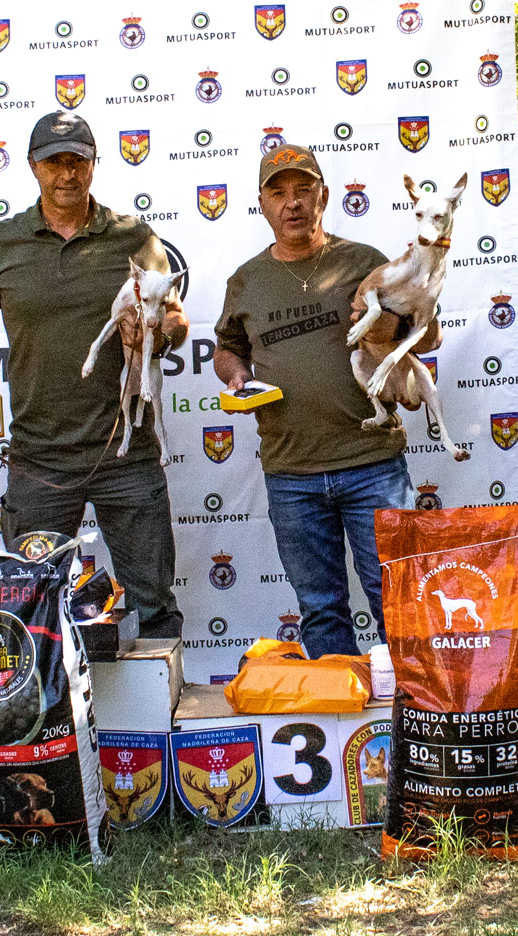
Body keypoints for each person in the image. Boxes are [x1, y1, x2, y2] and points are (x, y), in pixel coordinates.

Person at [0, 111, 188, 638]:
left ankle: (159, 717)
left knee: (152, 605)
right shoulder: (0, 245)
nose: (66, 174)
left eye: (78, 161)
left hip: (126, 453)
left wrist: (161, 333)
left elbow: (175, 319)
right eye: (55, 163)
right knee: (29, 608)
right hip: (39, 458)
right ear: (33, 167)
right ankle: (48, 719)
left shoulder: (135, 238)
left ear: (95, 165)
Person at [213, 145, 437, 657]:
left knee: (395, 598)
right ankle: (340, 725)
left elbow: (426, 338)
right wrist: (237, 375)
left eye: (303, 190)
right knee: (320, 606)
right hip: (292, 474)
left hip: (372, 465)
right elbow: (227, 349)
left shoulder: (363, 262)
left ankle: (414, 717)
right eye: (279, 192)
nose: (292, 204)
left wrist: (405, 317)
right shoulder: (246, 280)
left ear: (324, 197)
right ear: (263, 204)